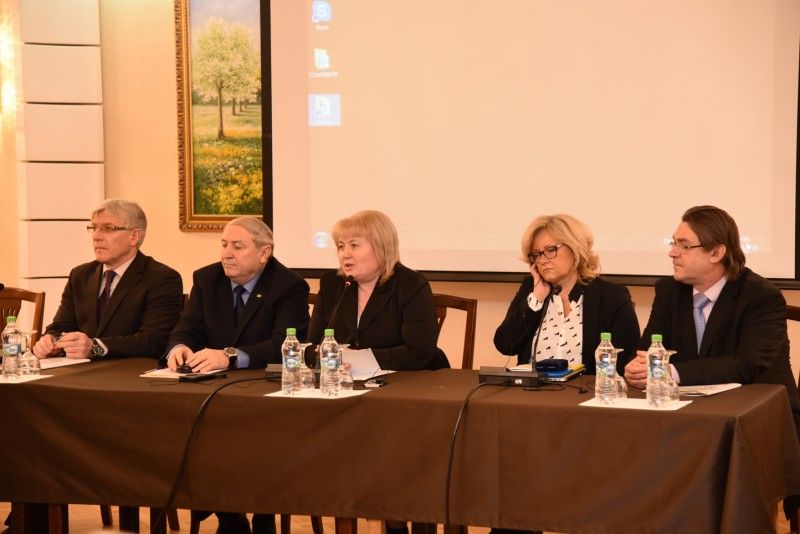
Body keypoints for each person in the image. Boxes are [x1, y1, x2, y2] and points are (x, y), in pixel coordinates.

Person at [165, 216, 309, 534]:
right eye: (224, 244)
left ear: (264, 252)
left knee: (256, 436)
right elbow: (186, 328)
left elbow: (286, 344)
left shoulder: (289, 286)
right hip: (213, 390)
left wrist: (229, 356)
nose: (226, 254)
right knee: (195, 426)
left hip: (264, 390)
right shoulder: (207, 279)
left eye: (237, 246)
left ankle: (263, 515)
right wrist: (179, 347)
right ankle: (228, 515)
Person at [624, 205, 800, 424]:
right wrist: (637, 368)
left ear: (716, 253)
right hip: (689, 411)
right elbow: (648, 350)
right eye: (673, 243)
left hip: (759, 416)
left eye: (684, 246)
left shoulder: (760, 296)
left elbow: (746, 364)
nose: (672, 252)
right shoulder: (669, 292)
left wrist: (670, 371)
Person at [32, 199, 183, 360]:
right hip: (80, 369)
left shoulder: (162, 278)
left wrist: (95, 348)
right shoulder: (80, 275)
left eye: (108, 228)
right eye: (94, 227)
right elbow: (61, 326)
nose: (96, 236)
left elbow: (153, 341)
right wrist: (51, 341)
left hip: (129, 371)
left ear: (134, 236)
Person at [494, 213, 640, 374]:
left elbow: (626, 360)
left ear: (575, 248)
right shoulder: (531, 289)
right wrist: (537, 298)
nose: (542, 260)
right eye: (536, 255)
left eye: (550, 250)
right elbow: (505, 345)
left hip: (585, 389)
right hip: (533, 389)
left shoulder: (611, 296)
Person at [308, 209, 448, 370]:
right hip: (344, 380)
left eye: (354, 245)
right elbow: (311, 345)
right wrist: (325, 357)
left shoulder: (411, 285)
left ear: (381, 247)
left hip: (408, 379)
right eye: (341, 246)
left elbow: (418, 352)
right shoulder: (332, 283)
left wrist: (358, 359)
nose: (345, 254)